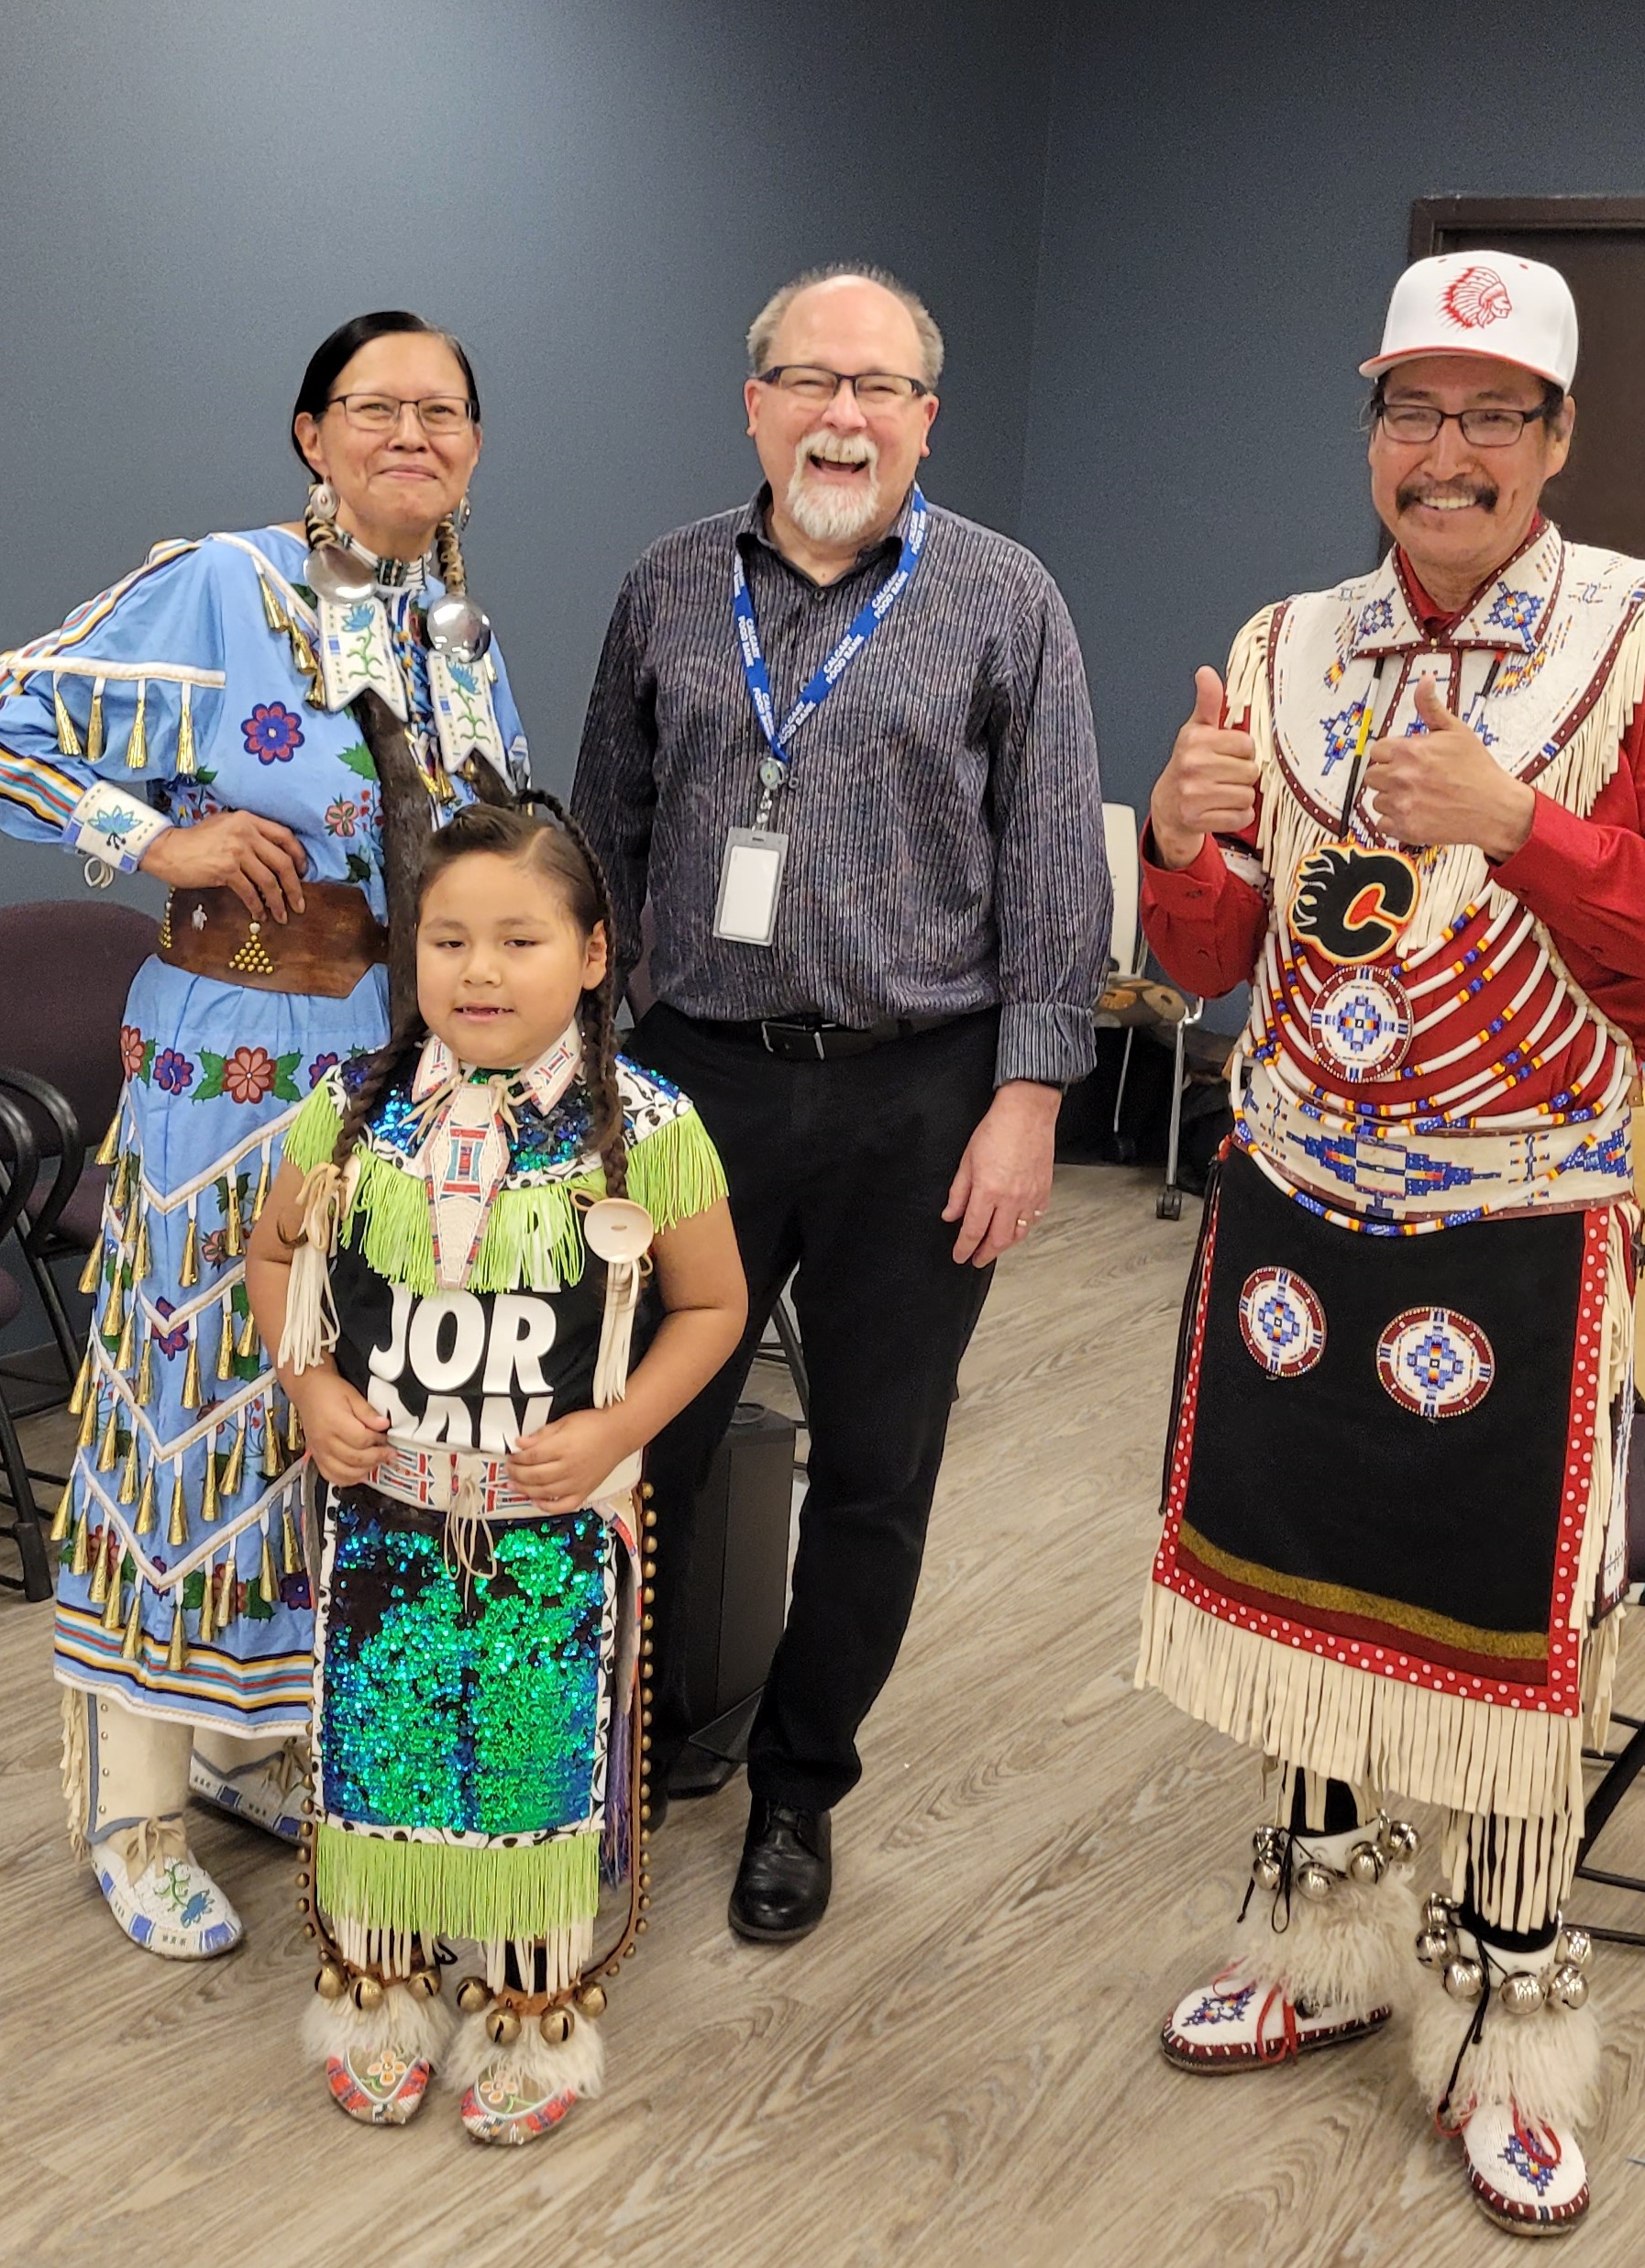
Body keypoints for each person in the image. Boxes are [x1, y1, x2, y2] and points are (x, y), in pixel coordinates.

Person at [1133, 250, 1645, 2237]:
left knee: (1508, 1631)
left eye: (1494, 414)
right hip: (1301, 1196)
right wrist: (1174, 835)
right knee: (1300, 1588)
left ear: (1560, 437)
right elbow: (1212, 960)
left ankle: (1506, 2022)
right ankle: (1319, 1950)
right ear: (1373, 432)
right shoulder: (1285, 638)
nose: (1447, 451)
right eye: (1411, 408)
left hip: (1522, 1217)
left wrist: (1526, 825)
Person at [0, 311, 531, 1958]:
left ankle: (247, 1743)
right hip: (233, 1063)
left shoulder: (459, 627)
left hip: (402, 1074)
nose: (412, 430)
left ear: (474, 443)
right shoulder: (220, 581)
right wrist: (150, 841)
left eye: (444, 409)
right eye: (374, 405)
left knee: (319, 1422)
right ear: (308, 432)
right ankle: (131, 1804)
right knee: (186, 1410)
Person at [573, 264, 1111, 1944]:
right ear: (754, 402)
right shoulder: (666, 585)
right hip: (693, 1087)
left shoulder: (1004, 596)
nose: (842, 415)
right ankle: (637, 1739)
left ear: (924, 418)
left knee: (875, 1464)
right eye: (809, 379)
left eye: (877, 387)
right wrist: (582, 1075)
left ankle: (800, 1788)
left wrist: (1027, 1098)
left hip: (920, 1098)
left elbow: (1049, 869)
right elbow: (604, 834)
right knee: (641, 1435)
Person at [248, 797, 745, 2136]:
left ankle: (530, 2020)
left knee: (530, 1782)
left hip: (552, 1533)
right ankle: (383, 1991)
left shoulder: (644, 1123)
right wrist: (309, 1383)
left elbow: (711, 1306)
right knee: (381, 1765)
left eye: (518, 939)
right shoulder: (348, 1118)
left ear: (593, 955)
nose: (477, 970)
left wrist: (616, 1427)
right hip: (386, 1523)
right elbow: (275, 1253)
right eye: (447, 938)